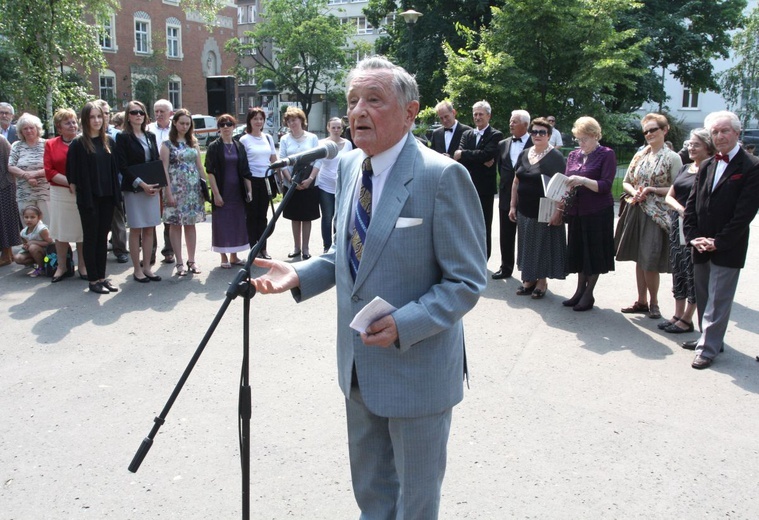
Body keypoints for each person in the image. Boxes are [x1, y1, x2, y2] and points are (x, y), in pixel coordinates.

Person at [251, 56, 487, 520]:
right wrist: (301, 273)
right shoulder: (353, 166)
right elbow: (351, 252)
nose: (358, 111)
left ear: (410, 112)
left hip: (418, 373)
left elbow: (466, 282)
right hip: (359, 367)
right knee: (372, 498)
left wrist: (404, 323)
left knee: (416, 505)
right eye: (353, 99)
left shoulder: (442, 177)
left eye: (374, 100)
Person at [682, 111, 759, 369]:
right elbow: (692, 204)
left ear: (737, 132)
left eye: (725, 130)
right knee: (703, 294)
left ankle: (708, 347)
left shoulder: (752, 166)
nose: (720, 136)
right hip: (700, 242)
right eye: (715, 132)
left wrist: (719, 241)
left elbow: (744, 213)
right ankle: (710, 337)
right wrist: (692, 237)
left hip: (728, 244)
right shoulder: (707, 165)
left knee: (718, 298)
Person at [615, 113, 682, 320]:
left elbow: (677, 187)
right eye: (646, 131)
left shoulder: (672, 157)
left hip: (657, 215)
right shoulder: (640, 155)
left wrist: (652, 189)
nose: (649, 134)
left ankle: (654, 303)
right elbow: (626, 181)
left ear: (664, 130)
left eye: (653, 129)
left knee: (650, 259)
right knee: (639, 257)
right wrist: (634, 191)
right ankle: (641, 300)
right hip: (636, 210)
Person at [660, 129, 714, 334]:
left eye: (696, 144)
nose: (691, 148)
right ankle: (677, 314)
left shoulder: (710, 169)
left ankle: (688, 318)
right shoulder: (685, 168)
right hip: (677, 225)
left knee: (692, 273)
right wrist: (680, 209)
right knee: (678, 270)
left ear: (708, 147)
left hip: (695, 227)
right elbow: (670, 196)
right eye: (689, 144)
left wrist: (687, 213)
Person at [562, 116, 617, 311]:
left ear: (595, 136)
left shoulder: (606, 154)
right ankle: (579, 290)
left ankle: (588, 293)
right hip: (577, 211)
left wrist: (583, 180)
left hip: (598, 211)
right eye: (578, 139)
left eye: (584, 138)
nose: (580, 143)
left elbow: (606, 185)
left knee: (594, 253)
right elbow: (568, 178)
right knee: (579, 252)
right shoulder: (573, 155)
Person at [67, 101, 122, 294]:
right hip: (89, 199)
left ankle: (102, 277)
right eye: (92, 117)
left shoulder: (109, 141)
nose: (97, 120)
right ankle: (93, 280)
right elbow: (72, 175)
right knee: (91, 238)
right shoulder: (78, 143)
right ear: (85, 119)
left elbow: (116, 169)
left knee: (103, 237)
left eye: (100, 116)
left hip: (107, 196)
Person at [509, 117, 567, 298]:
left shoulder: (555, 157)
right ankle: (530, 278)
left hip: (545, 208)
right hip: (524, 208)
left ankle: (541, 282)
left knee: (542, 245)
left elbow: (563, 186)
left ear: (549, 135)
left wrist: (559, 211)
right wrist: (512, 205)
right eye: (534, 132)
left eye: (542, 132)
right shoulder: (525, 153)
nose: (537, 135)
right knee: (527, 244)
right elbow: (516, 180)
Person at [116, 101, 162, 283]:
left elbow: (156, 161)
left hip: (152, 188)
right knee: (136, 229)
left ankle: (147, 267)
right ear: (128, 116)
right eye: (134, 112)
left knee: (150, 227)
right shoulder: (123, 137)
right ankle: (137, 269)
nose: (138, 115)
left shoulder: (150, 136)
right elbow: (122, 166)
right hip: (134, 189)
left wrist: (158, 184)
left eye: (141, 112)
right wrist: (141, 184)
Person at [454, 100, 504, 259]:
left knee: (483, 224)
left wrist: (466, 155)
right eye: (475, 114)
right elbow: (459, 157)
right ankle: (468, 256)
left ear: (489, 115)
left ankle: (484, 257)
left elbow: (487, 154)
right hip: (467, 186)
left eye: (480, 114)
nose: (477, 117)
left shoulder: (495, 135)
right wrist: (478, 157)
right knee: (466, 223)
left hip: (485, 189)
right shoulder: (467, 134)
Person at [161, 109, 207, 276]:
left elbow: (199, 166)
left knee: (190, 224)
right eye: (182, 123)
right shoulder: (167, 144)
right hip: (175, 188)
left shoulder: (192, 142)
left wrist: (205, 186)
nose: (185, 126)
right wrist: (168, 192)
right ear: (174, 123)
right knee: (175, 224)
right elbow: (164, 169)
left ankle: (192, 260)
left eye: (188, 123)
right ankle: (179, 262)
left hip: (192, 189)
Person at [44, 108, 87, 282]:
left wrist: (77, 185)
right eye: (67, 122)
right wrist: (70, 183)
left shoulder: (85, 142)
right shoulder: (50, 144)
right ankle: (61, 266)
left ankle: (83, 266)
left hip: (82, 192)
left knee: (82, 231)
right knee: (61, 232)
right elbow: (49, 170)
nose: (72, 125)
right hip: (60, 192)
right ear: (59, 127)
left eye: (74, 122)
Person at [494, 109, 532, 279]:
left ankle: (529, 272)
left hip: (527, 196)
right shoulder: (503, 144)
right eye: (510, 121)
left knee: (527, 235)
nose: (511, 124)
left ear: (525, 125)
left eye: (515, 121)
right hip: (505, 195)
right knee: (506, 234)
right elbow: (502, 168)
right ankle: (505, 267)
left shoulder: (535, 143)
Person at [279, 106, 320, 260]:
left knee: (306, 216)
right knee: (295, 216)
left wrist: (310, 179)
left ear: (302, 120)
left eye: (294, 119)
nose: (292, 123)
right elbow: (282, 161)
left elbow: (319, 160)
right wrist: (290, 180)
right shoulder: (284, 139)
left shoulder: (312, 138)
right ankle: (296, 247)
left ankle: (306, 248)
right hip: (291, 183)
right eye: (289, 121)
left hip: (308, 182)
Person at [239, 107, 277, 260]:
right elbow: (242, 164)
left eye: (261, 119)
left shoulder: (267, 137)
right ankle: (253, 248)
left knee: (263, 216)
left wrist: (280, 174)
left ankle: (263, 248)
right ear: (250, 120)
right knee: (251, 216)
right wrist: (247, 186)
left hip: (266, 179)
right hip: (251, 180)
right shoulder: (244, 139)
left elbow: (274, 159)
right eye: (255, 119)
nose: (258, 122)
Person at [95, 99, 128, 264]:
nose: (103, 117)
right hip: (96, 187)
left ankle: (120, 249)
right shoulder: (84, 138)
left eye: (106, 113)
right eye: (99, 113)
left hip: (116, 184)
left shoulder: (117, 135)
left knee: (117, 218)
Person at [313, 117, 353, 253]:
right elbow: (317, 163)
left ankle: (337, 246)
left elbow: (350, 164)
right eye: (333, 127)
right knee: (327, 216)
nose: (336, 130)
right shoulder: (322, 143)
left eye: (339, 127)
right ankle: (327, 246)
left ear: (342, 129)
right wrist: (311, 178)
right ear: (328, 128)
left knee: (340, 216)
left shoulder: (348, 144)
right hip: (325, 186)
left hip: (342, 186)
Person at [147, 99, 175, 265]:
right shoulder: (148, 129)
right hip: (153, 175)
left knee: (169, 216)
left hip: (172, 176)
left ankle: (169, 251)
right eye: (156, 111)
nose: (158, 114)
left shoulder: (177, 128)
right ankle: (150, 252)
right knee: (151, 216)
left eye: (162, 111)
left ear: (170, 114)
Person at [8, 113, 48, 220]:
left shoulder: (47, 144)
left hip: (45, 193)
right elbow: (11, 166)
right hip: (24, 193)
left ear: (37, 128)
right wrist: (27, 176)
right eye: (25, 128)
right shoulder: (17, 146)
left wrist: (35, 174)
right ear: (21, 131)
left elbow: (51, 167)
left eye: (31, 128)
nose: (29, 131)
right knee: (28, 228)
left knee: (47, 228)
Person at [0, 135, 22, 266]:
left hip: (5, 186)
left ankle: (7, 254)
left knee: (5, 221)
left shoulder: (1, 140)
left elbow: (11, 162)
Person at [13, 205, 52, 276]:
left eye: (32, 217)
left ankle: (41, 268)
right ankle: (36, 264)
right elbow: (26, 243)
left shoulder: (42, 229)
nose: (29, 220)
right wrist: (25, 246)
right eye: (26, 217)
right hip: (33, 251)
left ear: (39, 217)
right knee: (18, 258)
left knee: (33, 247)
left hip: (47, 254)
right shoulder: (23, 232)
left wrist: (33, 242)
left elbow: (50, 242)